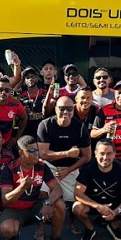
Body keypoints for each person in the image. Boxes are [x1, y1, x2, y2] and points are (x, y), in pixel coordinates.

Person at [0, 135, 70, 240]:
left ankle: (55, 239)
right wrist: (22, 187)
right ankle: (14, 234)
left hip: (35, 207)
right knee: (7, 229)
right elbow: (5, 200)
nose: (36, 153)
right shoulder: (9, 169)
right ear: (21, 152)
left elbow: (57, 189)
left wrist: (48, 203)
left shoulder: (42, 166)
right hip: (14, 210)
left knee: (59, 204)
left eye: (37, 149)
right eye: (32, 150)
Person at [73, 140, 121, 240]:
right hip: (93, 204)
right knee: (77, 208)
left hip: (115, 205)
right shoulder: (88, 169)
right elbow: (78, 193)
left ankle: (114, 225)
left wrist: (116, 212)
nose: (105, 158)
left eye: (109, 153)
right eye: (102, 153)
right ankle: (90, 229)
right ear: (95, 154)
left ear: (114, 154)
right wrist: (97, 206)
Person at [38, 96, 92, 232]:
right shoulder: (45, 125)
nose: (65, 112)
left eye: (69, 109)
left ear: (73, 110)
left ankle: (73, 223)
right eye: (62, 108)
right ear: (56, 109)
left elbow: (87, 156)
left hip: (71, 168)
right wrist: (67, 153)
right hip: (49, 166)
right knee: (42, 193)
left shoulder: (80, 127)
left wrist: (68, 170)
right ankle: (41, 226)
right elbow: (43, 154)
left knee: (77, 199)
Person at [18, 67, 47, 137]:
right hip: (27, 132)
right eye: (27, 78)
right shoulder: (21, 96)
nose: (30, 79)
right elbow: (12, 91)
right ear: (24, 81)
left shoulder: (45, 94)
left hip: (43, 130)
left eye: (32, 77)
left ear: (37, 79)